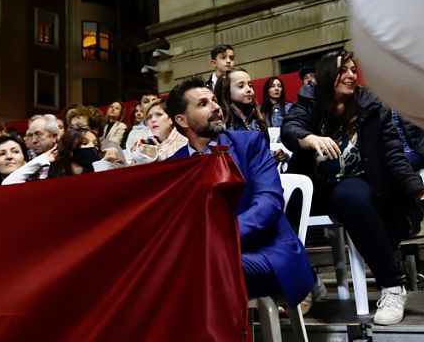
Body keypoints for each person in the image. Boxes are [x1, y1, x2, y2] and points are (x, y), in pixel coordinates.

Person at [281, 50, 424, 325]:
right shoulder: (310, 100)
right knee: (276, 205)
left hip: (355, 181)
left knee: (351, 198)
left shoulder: (371, 106)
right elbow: (291, 127)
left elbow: (394, 157)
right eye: (342, 70)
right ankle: (307, 283)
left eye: (352, 70)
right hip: (315, 185)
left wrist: (419, 192)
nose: (351, 75)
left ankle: (393, 286)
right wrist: (308, 138)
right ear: (326, 76)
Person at [166, 77, 314, 307]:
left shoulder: (250, 143)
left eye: (215, 100)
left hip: (266, 251)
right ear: (182, 120)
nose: (216, 107)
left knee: (198, 269)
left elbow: (269, 203)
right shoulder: (176, 166)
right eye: (203, 104)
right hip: (206, 256)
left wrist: (221, 237)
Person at [130, 98, 187, 163]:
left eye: (159, 115)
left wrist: (155, 157)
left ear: (171, 119)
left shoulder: (183, 139)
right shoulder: (146, 143)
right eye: (149, 117)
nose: (153, 119)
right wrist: (137, 158)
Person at [216, 68, 266, 135]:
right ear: (226, 90)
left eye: (250, 85)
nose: (248, 89)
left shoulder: (257, 117)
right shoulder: (221, 121)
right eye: (241, 86)